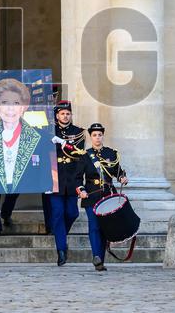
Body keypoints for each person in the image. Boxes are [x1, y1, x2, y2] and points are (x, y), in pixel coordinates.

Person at [0, 78, 55, 233]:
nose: (10, 108)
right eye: (5, 102)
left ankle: (6, 213)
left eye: (16, 103)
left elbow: (45, 163)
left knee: (13, 192)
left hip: (23, 177)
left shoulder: (39, 135)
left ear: (23, 107)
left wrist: (48, 184)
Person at [77, 122, 128, 271]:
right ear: (91, 137)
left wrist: (122, 177)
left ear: (103, 136)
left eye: (100, 135)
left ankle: (101, 261)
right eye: (94, 135)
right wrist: (81, 190)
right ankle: (96, 256)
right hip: (91, 195)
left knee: (104, 227)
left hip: (108, 194)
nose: (97, 137)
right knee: (94, 226)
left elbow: (118, 171)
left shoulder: (111, 154)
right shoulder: (85, 155)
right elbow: (77, 177)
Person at [48, 100, 87, 266]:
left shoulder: (78, 132)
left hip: (72, 178)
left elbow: (80, 154)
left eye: (68, 113)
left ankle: (61, 236)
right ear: (57, 115)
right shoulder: (49, 131)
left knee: (72, 213)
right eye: (62, 113)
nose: (65, 116)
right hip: (54, 178)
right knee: (57, 213)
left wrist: (63, 143)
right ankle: (61, 250)